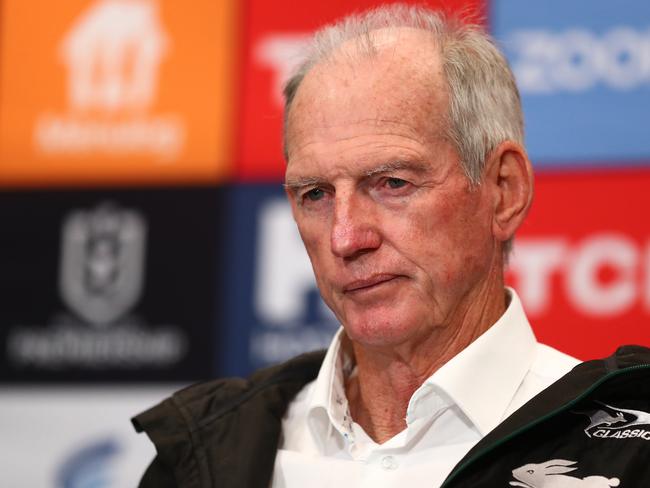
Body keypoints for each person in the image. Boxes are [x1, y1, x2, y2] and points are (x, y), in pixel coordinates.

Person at [133, 5, 650, 487]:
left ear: (503, 191)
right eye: (315, 194)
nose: (346, 237)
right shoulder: (203, 454)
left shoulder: (630, 449)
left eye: (392, 183)